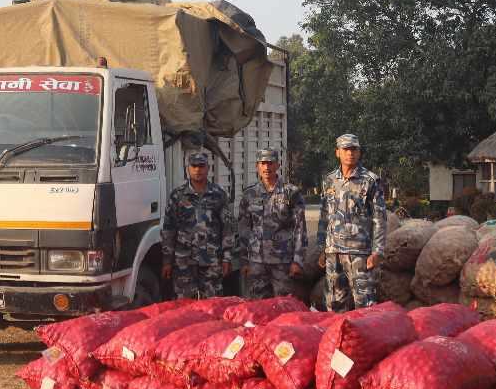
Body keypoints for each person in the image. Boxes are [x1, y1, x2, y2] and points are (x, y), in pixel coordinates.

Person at [315, 133, 387, 311]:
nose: (350, 153)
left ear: (359, 152)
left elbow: (379, 218)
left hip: (360, 253)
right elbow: (324, 216)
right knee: (334, 304)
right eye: (346, 149)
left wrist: (377, 251)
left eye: (354, 149)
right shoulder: (329, 180)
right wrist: (321, 248)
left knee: (365, 306)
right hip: (334, 252)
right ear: (337, 152)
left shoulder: (370, 181)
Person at [161, 151, 236, 299]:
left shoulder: (218, 194)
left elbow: (227, 228)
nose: (197, 170)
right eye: (194, 166)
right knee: (185, 305)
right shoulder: (178, 196)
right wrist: (167, 261)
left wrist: (227, 258)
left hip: (211, 260)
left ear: (208, 168)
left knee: (212, 304)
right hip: (184, 261)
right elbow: (169, 229)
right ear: (188, 169)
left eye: (201, 166)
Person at [237, 149, 307, 299]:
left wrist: (298, 261)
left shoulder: (291, 193)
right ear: (257, 166)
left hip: (283, 262)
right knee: (258, 306)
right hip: (256, 263)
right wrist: (244, 261)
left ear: (277, 165)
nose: (266, 167)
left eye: (270, 163)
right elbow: (244, 229)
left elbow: (300, 229)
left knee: (283, 305)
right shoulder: (249, 194)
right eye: (263, 163)